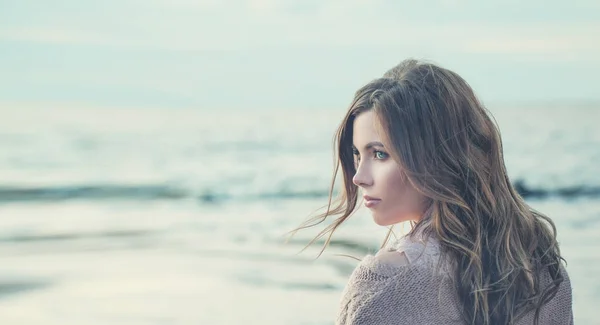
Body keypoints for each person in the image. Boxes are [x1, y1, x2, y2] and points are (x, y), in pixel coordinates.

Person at [292, 59, 573, 324]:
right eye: (357, 154)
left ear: (435, 158)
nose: (359, 177)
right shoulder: (540, 265)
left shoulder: (384, 287)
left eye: (379, 154)